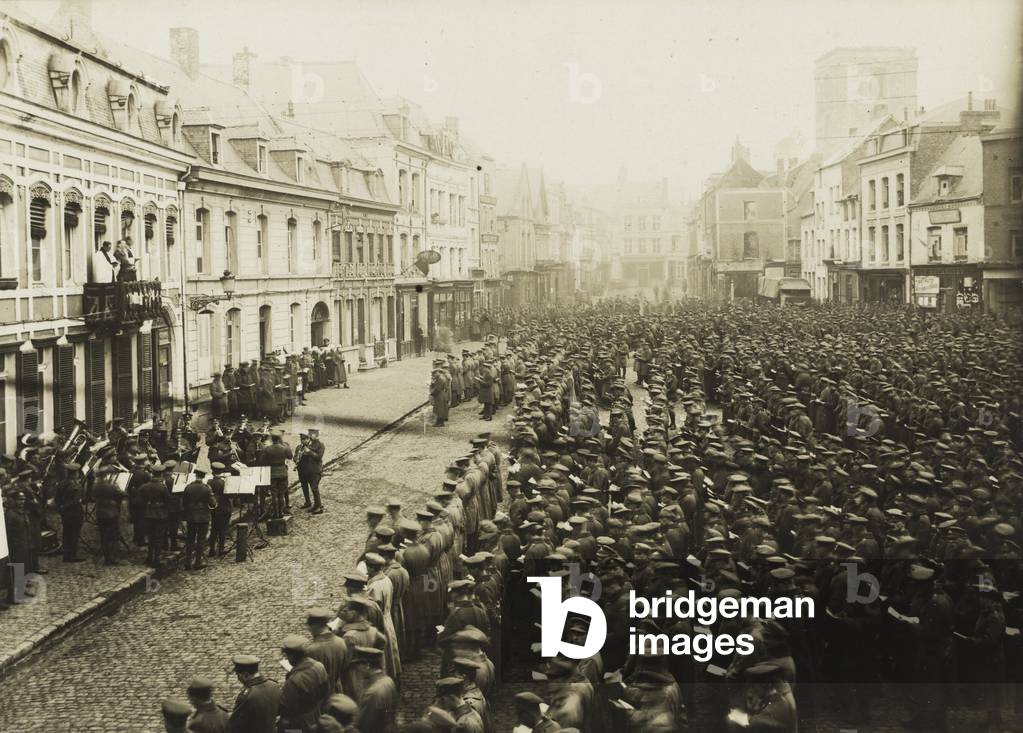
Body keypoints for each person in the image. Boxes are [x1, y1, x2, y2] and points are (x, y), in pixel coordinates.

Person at [278, 634, 331, 733]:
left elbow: (286, 708)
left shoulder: (294, 681)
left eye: (288, 656)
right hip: (316, 714)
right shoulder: (319, 666)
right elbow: (325, 690)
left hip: (298, 723)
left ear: (292, 656)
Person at [229, 654, 280, 733]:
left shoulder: (247, 696)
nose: (238, 678)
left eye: (238, 675)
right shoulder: (274, 685)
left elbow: (235, 725)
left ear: (246, 674)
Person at [92, 465, 125, 566]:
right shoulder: (111, 486)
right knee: (113, 535)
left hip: (100, 512)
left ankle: (107, 557)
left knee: (103, 536)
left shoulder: (96, 486)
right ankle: (112, 558)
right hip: (111, 512)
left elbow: (93, 496)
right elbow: (122, 494)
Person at [182, 471, 216, 570]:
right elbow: (213, 504)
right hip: (203, 516)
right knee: (201, 539)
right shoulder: (207, 488)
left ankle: (187, 562)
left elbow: (184, 502)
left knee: (190, 539)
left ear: (195, 476)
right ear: (204, 476)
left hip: (191, 516)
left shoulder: (188, 487)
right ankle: (198, 562)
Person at [55, 462, 87, 562]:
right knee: (74, 534)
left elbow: (57, 499)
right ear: (76, 473)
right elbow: (75, 501)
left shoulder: (61, 483)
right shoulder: (76, 486)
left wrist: (60, 508)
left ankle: (66, 554)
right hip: (74, 513)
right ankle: (72, 555)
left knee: (66, 533)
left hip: (65, 513)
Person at [260, 430, 293, 519]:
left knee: (274, 494)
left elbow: (262, 461)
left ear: (272, 439)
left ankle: (276, 513)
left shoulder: (267, 449)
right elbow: (290, 456)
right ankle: (281, 512)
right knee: (281, 494)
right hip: (282, 472)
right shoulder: (284, 448)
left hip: (272, 473)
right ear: (279, 439)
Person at [297, 430, 325, 514]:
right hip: (308, 471)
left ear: (316, 435)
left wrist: (309, 452)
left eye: (312, 435)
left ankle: (319, 507)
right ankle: (315, 505)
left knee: (314, 488)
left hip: (316, 470)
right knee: (312, 488)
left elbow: (318, 457)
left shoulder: (321, 445)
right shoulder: (309, 444)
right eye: (310, 435)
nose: (310, 436)